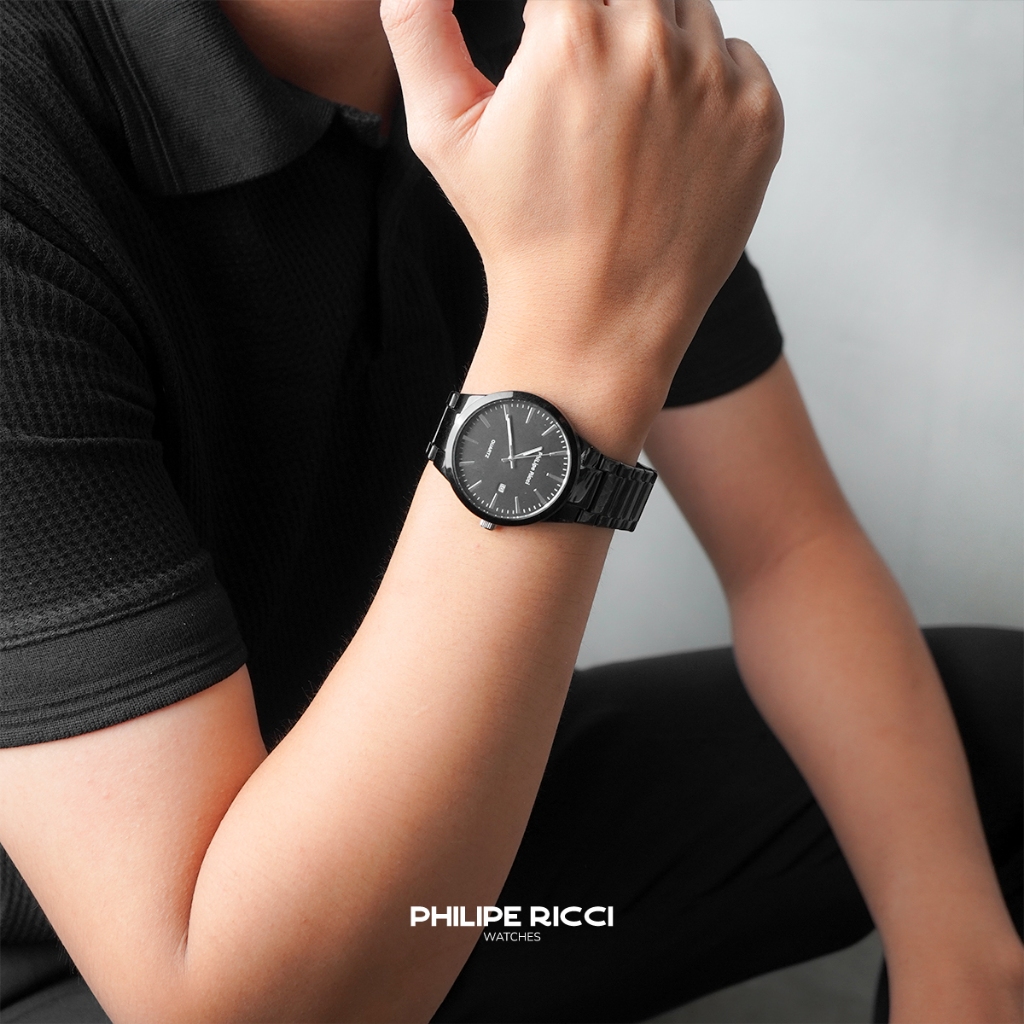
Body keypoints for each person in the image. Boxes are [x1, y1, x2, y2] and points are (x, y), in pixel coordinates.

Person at [0, 1, 1020, 1022]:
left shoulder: (555, 51)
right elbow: (217, 1002)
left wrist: (956, 956)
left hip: (425, 841)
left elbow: (787, 546)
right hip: (99, 961)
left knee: (991, 737)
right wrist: (576, 334)